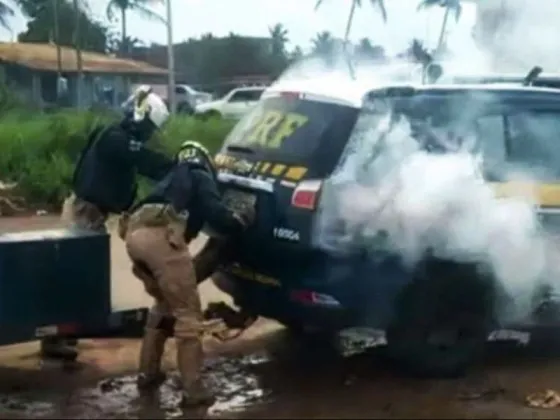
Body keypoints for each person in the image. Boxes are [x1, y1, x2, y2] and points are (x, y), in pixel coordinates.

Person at [41, 86, 175, 361]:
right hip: (85, 212)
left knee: (80, 275)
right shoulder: (116, 139)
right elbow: (146, 161)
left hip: (90, 211)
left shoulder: (115, 135)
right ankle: (56, 337)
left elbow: (141, 162)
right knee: (76, 276)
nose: (149, 134)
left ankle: (62, 334)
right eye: (149, 127)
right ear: (141, 118)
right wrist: (181, 167)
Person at [122, 140, 254, 407]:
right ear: (204, 159)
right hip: (161, 241)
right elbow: (216, 215)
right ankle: (194, 391)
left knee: (162, 305)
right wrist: (239, 220)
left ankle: (148, 374)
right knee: (188, 318)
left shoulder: (172, 177)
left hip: (133, 239)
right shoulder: (199, 173)